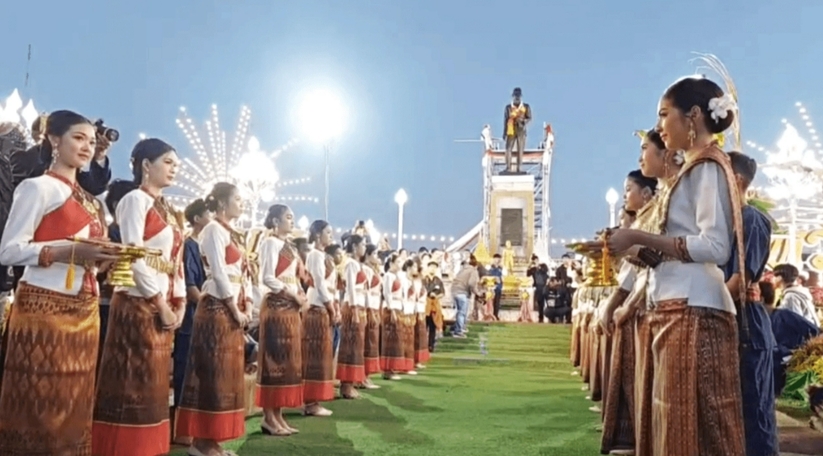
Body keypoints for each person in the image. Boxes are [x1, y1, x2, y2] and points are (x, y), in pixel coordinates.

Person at [605, 75, 747, 455]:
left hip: (694, 308)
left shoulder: (708, 167)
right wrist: (644, 253)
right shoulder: (693, 169)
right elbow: (680, 246)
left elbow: (715, 245)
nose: (659, 127)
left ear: (694, 116)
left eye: (665, 115)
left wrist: (639, 238)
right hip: (676, 305)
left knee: (695, 425)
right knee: (672, 420)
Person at [0, 110, 120, 455]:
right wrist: (69, 250)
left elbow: (86, 256)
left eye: (91, 141)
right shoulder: (37, 187)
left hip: (85, 309)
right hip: (44, 308)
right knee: (38, 401)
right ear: (54, 139)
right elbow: (9, 251)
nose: (87, 147)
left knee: (75, 401)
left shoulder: (94, 203)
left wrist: (102, 259)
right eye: (78, 138)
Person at [93, 139, 185, 456]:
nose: (175, 168)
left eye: (176, 163)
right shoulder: (135, 200)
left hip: (162, 304)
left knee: (153, 386)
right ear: (146, 165)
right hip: (136, 301)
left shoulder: (170, 212)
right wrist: (159, 301)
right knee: (131, 381)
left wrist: (180, 301)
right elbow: (133, 255)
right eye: (168, 162)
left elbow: (176, 262)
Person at [176, 182, 252, 456]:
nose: (242, 204)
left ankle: (214, 440)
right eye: (238, 199)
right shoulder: (212, 230)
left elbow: (243, 274)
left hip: (233, 307)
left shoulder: (234, 234)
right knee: (210, 372)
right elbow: (218, 272)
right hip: (217, 307)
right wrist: (233, 307)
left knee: (226, 376)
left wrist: (249, 303)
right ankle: (200, 442)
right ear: (221, 203)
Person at [722, 151, 779, 456]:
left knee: (755, 413)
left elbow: (740, 280)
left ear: (738, 180)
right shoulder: (728, 220)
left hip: (749, 330)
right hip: (735, 324)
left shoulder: (751, 220)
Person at [256, 204, 304, 436]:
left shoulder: (290, 247)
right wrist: (290, 292)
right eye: (288, 217)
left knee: (286, 362)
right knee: (273, 360)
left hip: (291, 307)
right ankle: (268, 416)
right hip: (277, 306)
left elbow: (293, 278)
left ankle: (279, 414)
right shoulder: (269, 243)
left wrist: (299, 293)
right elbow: (268, 277)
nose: (291, 221)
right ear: (275, 221)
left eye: (292, 217)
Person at [172, 198, 211, 445]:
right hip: (191, 317)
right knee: (185, 371)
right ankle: (181, 429)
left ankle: (197, 427)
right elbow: (190, 286)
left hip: (204, 315)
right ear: (197, 219)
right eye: (209, 213)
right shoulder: (189, 245)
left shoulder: (207, 246)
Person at [303, 220, 338, 417]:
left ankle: (314, 400)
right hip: (317, 306)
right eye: (327, 232)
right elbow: (319, 282)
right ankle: (310, 402)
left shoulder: (323, 255)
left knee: (321, 354)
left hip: (324, 306)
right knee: (315, 355)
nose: (330, 235)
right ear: (317, 235)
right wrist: (330, 305)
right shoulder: (315, 255)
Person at [338, 234, 368, 399]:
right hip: (352, 306)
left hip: (359, 305)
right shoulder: (350, 264)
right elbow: (350, 288)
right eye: (363, 244)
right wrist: (355, 310)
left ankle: (351, 382)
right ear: (355, 246)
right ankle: (346, 384)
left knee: (357, 345)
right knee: (350, 345)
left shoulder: (357, 264)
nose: (364, 247)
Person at [381, 252, 405, 380]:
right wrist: (392, 309)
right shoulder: (388, 276)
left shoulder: (397, 276)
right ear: (391, 263)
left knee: (396, 340)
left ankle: (393, 368)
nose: (400, 264)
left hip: (398, 306)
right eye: (398, 262)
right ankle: (388, 369)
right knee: (390, 339)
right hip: (391, 308)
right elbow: (387, 293)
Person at [361, 244, 383, 387]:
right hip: (369, 307)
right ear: (368, 255)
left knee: (372, 342)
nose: (377, 257)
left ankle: (366, 375)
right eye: (374, 254)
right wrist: (370, 310)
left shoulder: (374, 270)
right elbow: (366, 291)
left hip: (375, 306)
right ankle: (363, 376)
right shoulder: (366, 270)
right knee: (368, 342)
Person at [502, 87, 532, 174]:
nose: (517, 97)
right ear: (513, 96)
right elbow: (505, 120)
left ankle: (519, 168)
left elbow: (529, 117)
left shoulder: (526, 107)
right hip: (511, 130)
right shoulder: (508, 108)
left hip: (521, 130)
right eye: (515, 96)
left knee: (520, 149)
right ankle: (508, 167)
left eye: (518, 96)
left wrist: (523, 121)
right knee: (508, 148)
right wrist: (504, 132)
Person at [451, 260, 480, 337]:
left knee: (459, 311)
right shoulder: (473, 271)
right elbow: (471, 283)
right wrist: (477, 293)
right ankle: (458, 331)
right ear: (476, 266)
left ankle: (459, 327)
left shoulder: (462, 270)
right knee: (462, 312)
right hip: (462, 291)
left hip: (454, 291)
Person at [399, 259, 418, 374]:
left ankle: (408, 365)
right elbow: (403, 296)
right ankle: (404, 366)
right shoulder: (403, 280)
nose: (416, 269)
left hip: (411, 311)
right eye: (415, 267)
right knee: (405, 339)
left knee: (410, 339)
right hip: (405, 311)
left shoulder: (412, 281)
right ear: (409, 268)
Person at [423, 260, 445, 352]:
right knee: (424, 326)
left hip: (435, 305)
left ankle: (431, 345)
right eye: (431, 266)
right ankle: (423, 345)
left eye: (435, 267)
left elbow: (443, 293)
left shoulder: (438, 280)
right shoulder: (424, 279)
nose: (433, 269)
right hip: (425, 304)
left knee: (433, 326)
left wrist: (436, 296)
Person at [489, 253, 504, 319]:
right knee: (490, 301)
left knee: (497, 302)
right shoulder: (490, 267)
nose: (497, 260)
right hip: (490, 288)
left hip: (498, 287)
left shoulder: (501, 268)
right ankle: (489, 314)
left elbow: (503, 277)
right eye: (496, 259)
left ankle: (496, 315)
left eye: (498, 259)